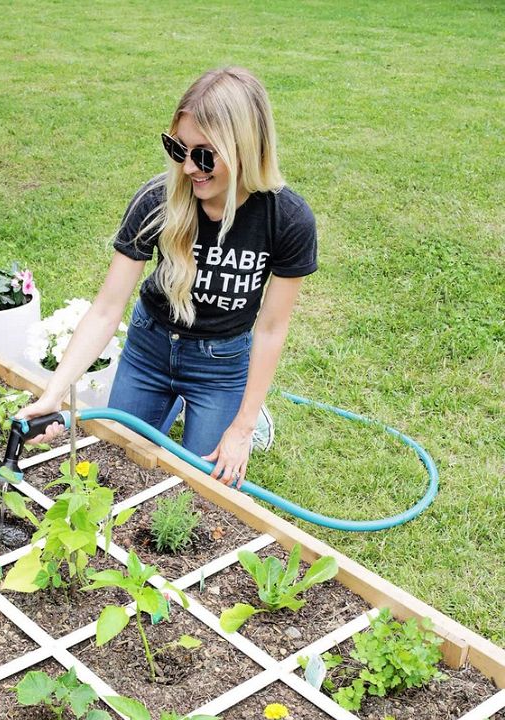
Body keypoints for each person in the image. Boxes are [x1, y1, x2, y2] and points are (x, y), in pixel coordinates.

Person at [19, 66, 317, 488]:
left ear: (244, 148)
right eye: (180, 150)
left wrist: (242, 427)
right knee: (115, 468)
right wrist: (52, 395)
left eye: (204, 155)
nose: (189, 168)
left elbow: (271, 330)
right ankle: (175, 403)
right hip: (150, 349)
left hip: (221, 363)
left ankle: (242, 410)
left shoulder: (286, 219)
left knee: (199, 489)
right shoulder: (158, 199)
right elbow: (107, 309)